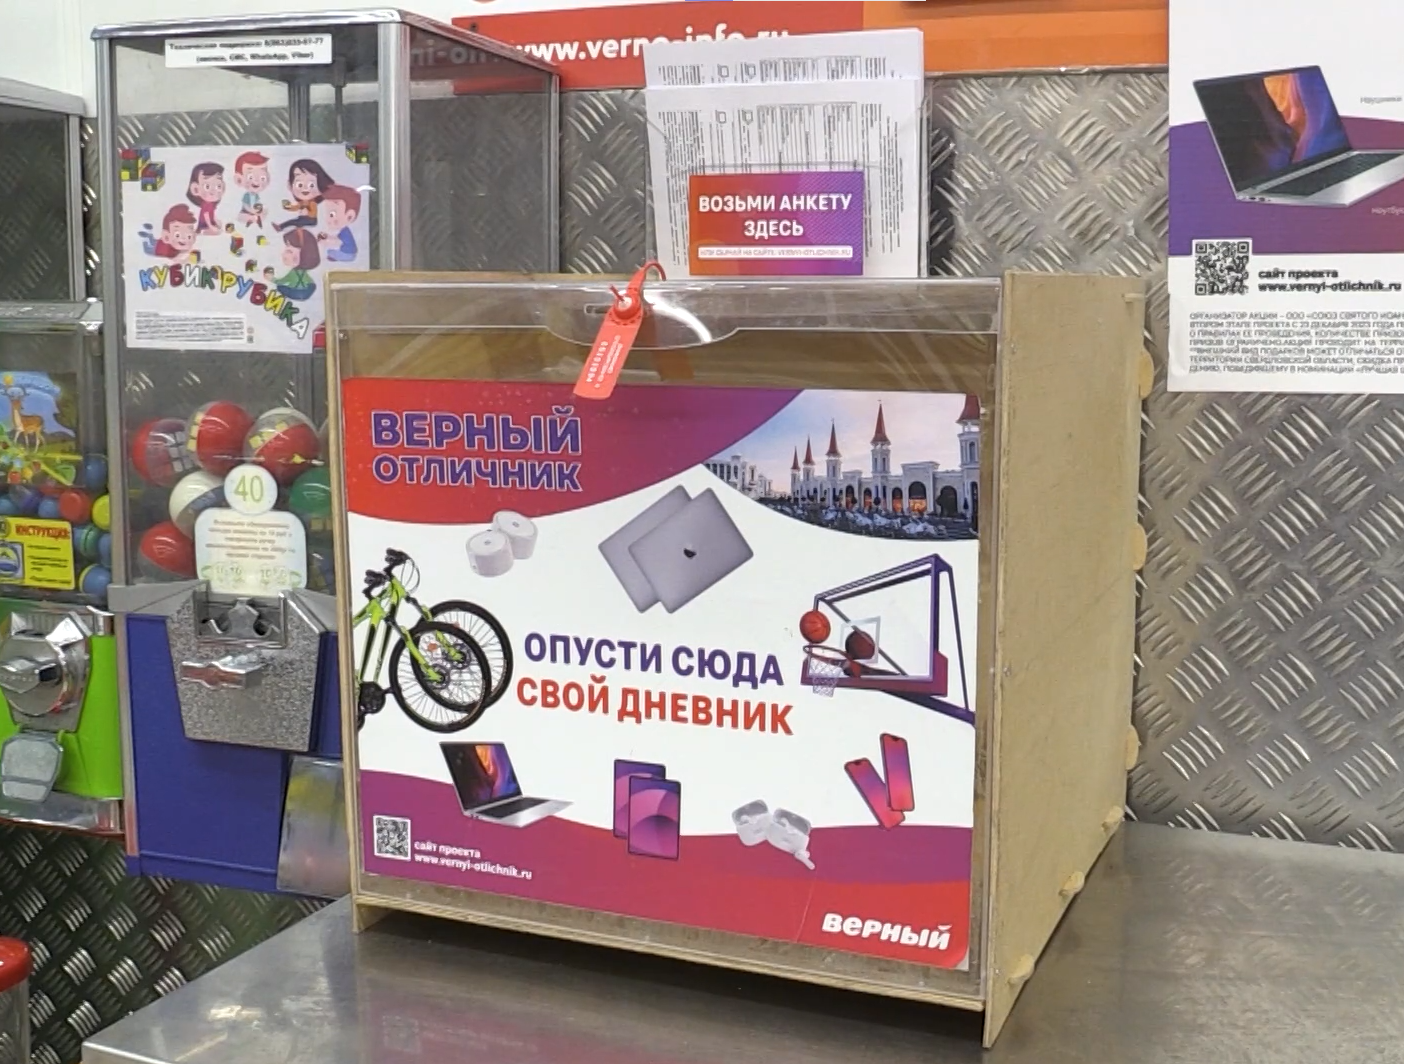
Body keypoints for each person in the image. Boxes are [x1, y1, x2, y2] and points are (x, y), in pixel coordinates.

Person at [274, 158, 333, 232]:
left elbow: (313, 214)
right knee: (294, 222)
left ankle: (281, 227)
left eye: (311, 185)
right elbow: (295, 207)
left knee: (294, 222)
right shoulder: (303, 203)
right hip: (303, 218)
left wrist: (307, 210)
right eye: (300, 185)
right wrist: (288, 207)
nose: (305, 188)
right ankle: (280, 227)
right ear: (290, 185)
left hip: (310, 220)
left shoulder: (312, 203)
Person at [317, 184, 361, 263]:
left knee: (329, 252)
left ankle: (336, 257)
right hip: (348, 253)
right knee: (330, 252)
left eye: (332, 215)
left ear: (349, 216)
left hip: (348, 254)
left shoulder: (345, 232)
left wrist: (325, 241)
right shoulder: (344, 231)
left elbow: (337, 242)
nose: (328, 220)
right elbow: (337, 238)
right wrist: (327, 237)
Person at [274, 228, 320, 301]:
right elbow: (311, 282)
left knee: (279, 287)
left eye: (289, 251)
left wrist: (272, 279)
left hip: (294, 292)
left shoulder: (293, 272)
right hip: (306, 294)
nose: (283, 254)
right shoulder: (304, 272)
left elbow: (283, 280)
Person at [186, 161, 225, 235]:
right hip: (204, 224)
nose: (213, 191)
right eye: (207, 186)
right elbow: (206, 216)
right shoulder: (206, 205)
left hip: (210, 222)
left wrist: (215, 222)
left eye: (218, 186)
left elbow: (212, 215)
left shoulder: (212, 204)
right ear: (195, 189)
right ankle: (201, 231)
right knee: (215, 232)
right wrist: (210, 226)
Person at [233, 151, 270, 228]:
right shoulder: (247, 195)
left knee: (264, 211)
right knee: (242, 217)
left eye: (262, 178)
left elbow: (257, 202)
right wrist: (251, 210)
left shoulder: (256, 195)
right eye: (250, 177)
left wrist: (259, 209)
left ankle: (256, 220)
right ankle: (252, 220)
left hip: (255, 211)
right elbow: (245, 205)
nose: (256, 181)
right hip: (246, 211)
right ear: (239, 180)